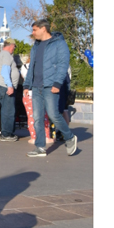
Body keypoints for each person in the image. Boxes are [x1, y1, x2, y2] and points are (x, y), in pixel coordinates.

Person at [24, 19, 77, 157]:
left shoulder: (59, 44)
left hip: (50, 86)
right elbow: (32, 67)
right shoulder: (35, 46)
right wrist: (26, 84)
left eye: (35, 29)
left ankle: (70, 137)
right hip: (36, 87)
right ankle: (40, 148)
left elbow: (63, 64)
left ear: (43, 29)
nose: (33, 33)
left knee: (53, 114)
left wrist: (57, 83)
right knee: (37, 118)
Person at [0, 38, 21, 142]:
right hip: (6, 87)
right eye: (14, 47)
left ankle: (5, 132)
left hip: (2, 86)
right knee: (8, 111)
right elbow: (5, 71)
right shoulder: (6, 55)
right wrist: (10, 85)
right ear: (11, 45)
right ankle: (6, 134)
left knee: (6, 110)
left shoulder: (2, 55)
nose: (14, 49)